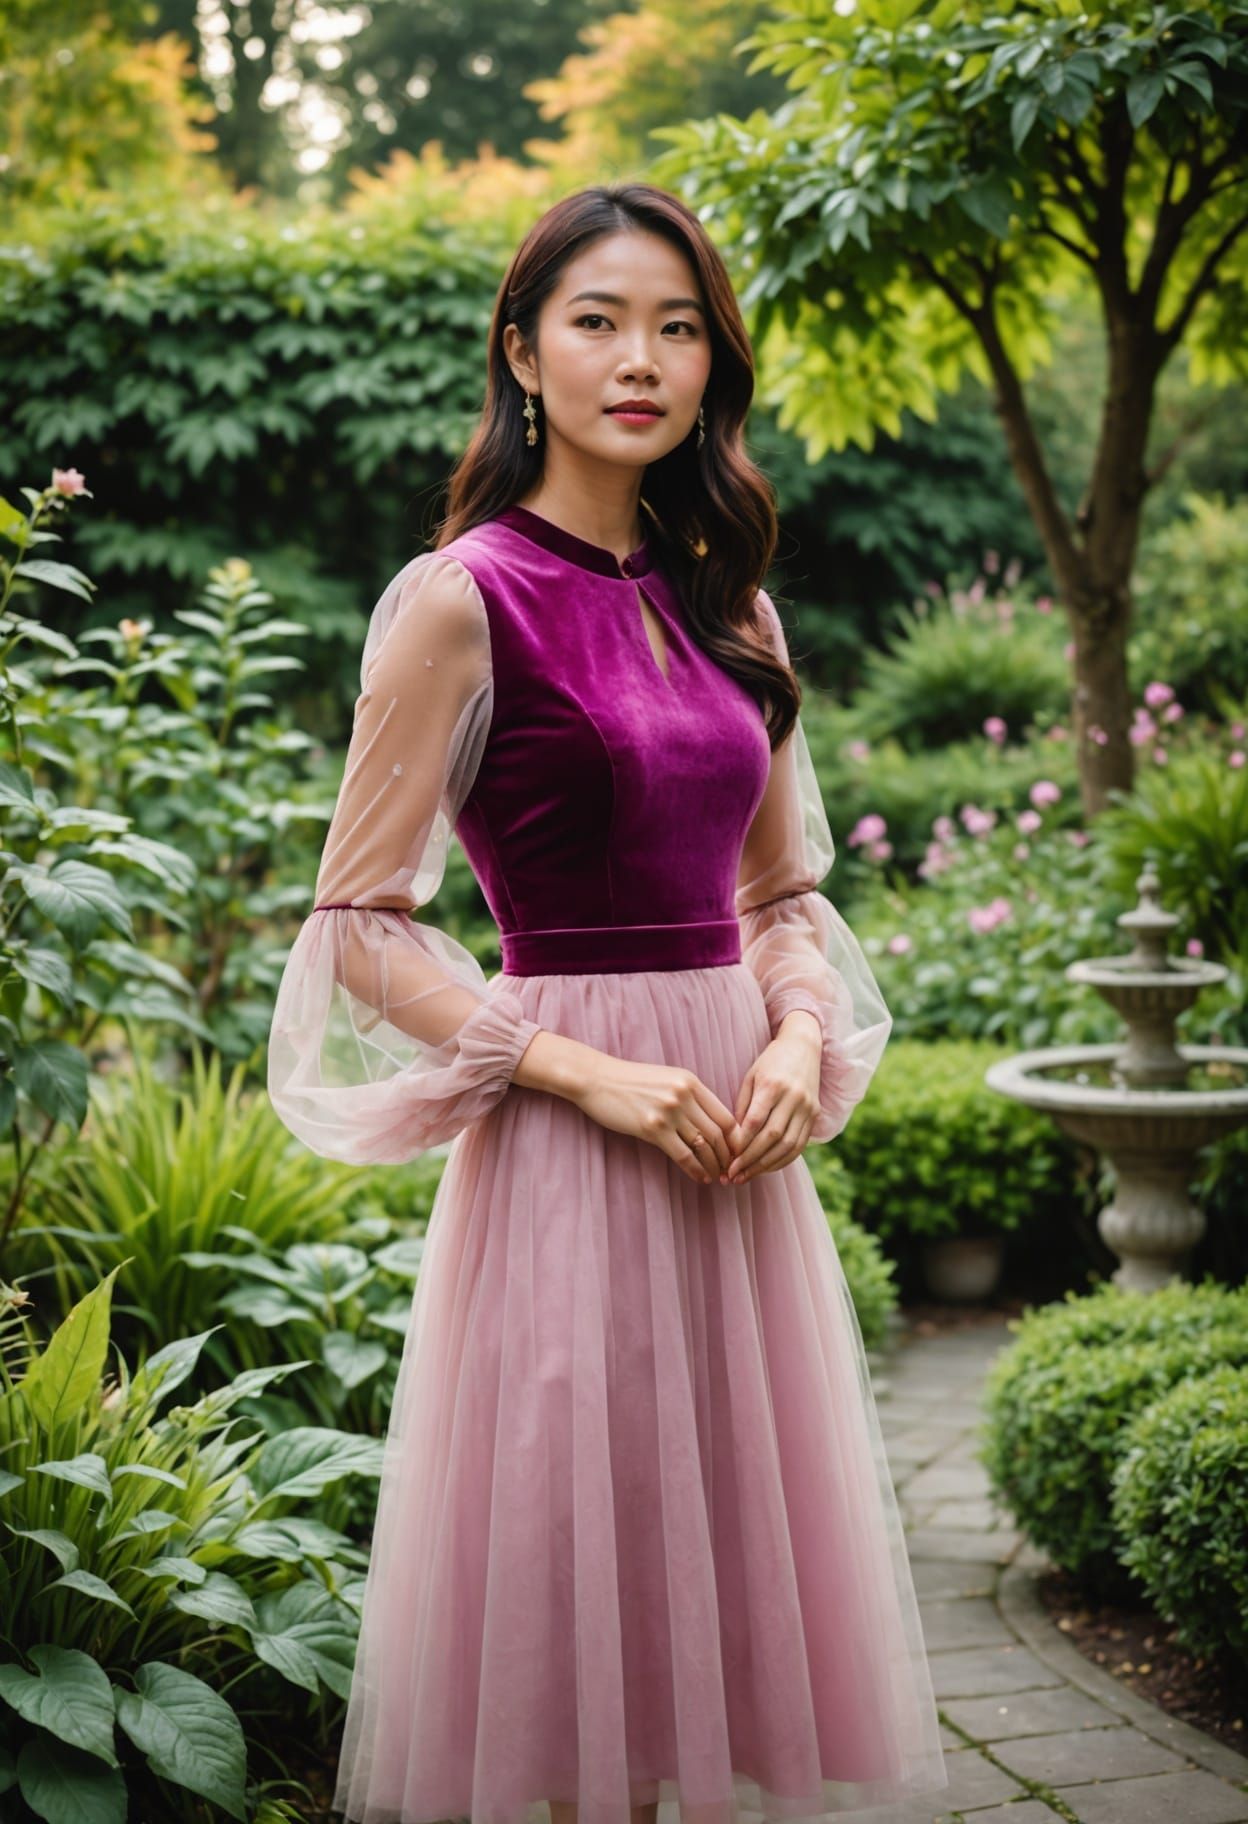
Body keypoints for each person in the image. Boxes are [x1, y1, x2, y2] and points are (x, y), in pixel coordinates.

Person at [267, 180, 948, 1824]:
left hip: (735, 1137)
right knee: (573, 1587)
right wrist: (577, 1069)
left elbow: (783, 897)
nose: (640, 357)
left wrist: (794, 1031)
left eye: (678, 324)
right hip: (576, 1139)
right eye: (597, 320)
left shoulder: (737, 605)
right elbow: (359, 924)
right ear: (523, 354)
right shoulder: (461, 598)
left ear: (713, 364)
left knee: (722, 1591)